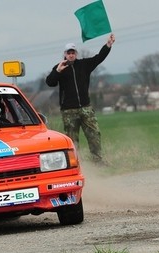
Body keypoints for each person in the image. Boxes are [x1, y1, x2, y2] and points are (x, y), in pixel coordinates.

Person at [45, 33, 115, 165]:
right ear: (65, 54)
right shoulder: (59, 67)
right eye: (68, 52)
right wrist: (58, 71)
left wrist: (108, 45)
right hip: (68, 110)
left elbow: (99, 58)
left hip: (85, 108)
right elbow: (50, 82)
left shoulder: (84, 65)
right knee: (72, 139)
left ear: (76, 53)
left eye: (73, 52)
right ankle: (75, 164)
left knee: (94, 134)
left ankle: (98, 160)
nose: (71, 55)